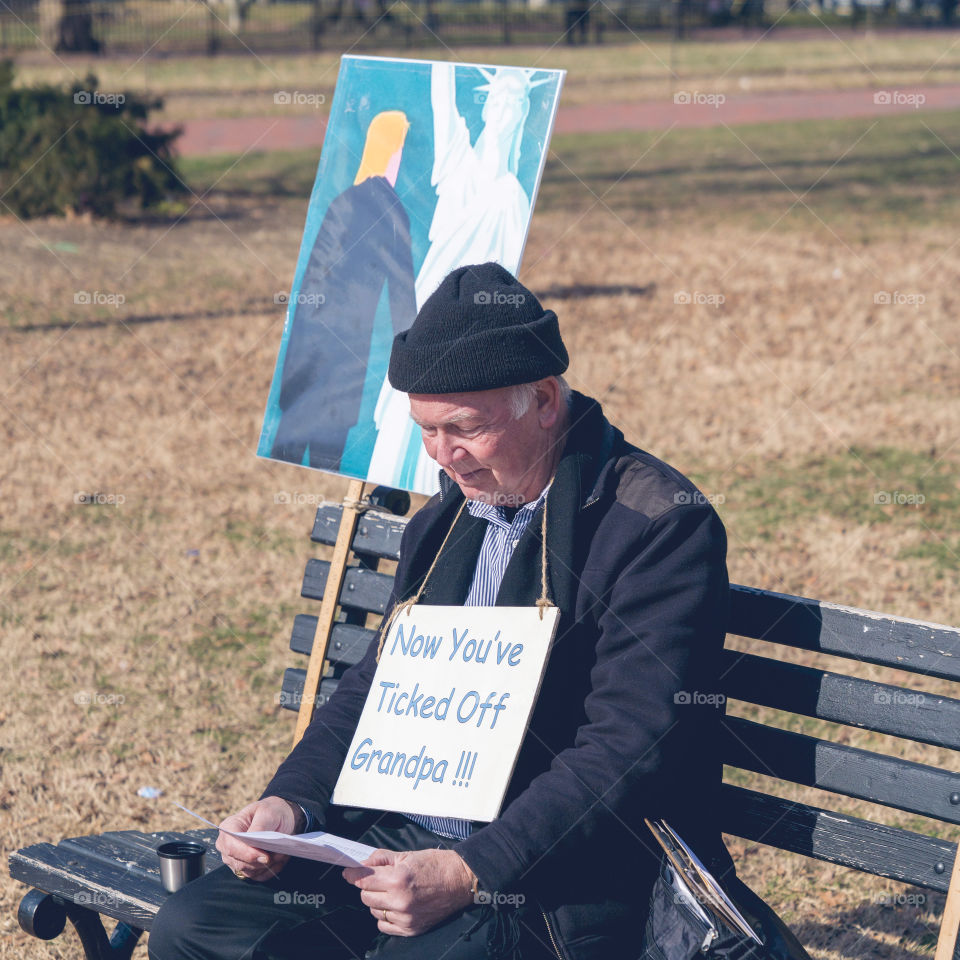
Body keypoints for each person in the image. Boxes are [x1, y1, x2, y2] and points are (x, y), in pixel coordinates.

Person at [149, 262, 738, 960]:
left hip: (556, 873)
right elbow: (375, 688)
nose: (445, 456)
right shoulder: (445, 520)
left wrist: (471, 870)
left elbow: (628, 748)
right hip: (398, 839)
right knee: (195, 930)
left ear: (545, 400)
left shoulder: (655, 524)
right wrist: (291, 805)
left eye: (464, 428)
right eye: (426, 431)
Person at [269, 109, 416, 473]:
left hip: (312, 345)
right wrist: (417, 353)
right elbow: (403, 300)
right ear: (392, 152)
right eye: (401, 150)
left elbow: (311, 285)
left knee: (293, 444)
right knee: (327, 452)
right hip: (346, 349)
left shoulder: (345, 200)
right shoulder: (390, 208)